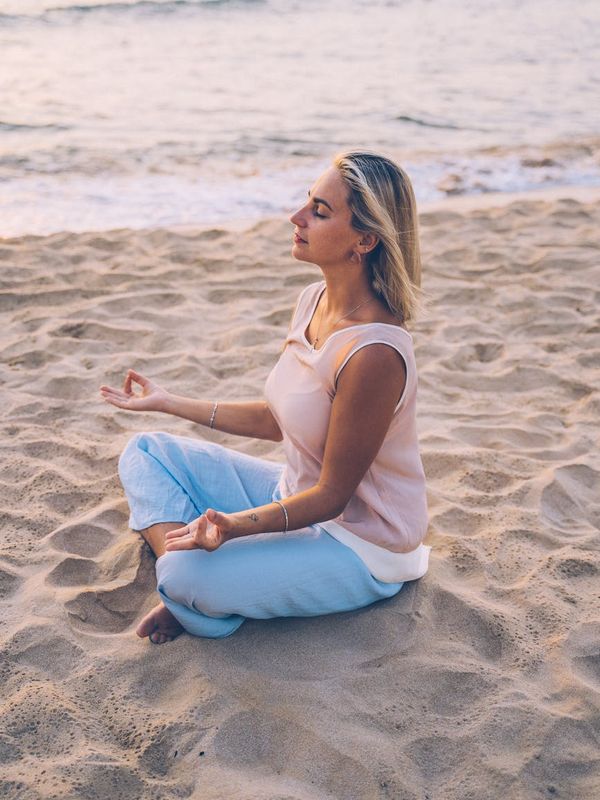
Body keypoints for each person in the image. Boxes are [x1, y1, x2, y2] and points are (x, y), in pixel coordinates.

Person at [99, 150, 430, 645]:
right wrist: (170, 402)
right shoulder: (312, 301)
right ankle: (199, 577)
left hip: (358, 543)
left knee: (180, 577)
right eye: (306, 202)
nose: (297, 218)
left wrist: (233, 527)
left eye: (319, 212)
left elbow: (333, 497)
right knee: (145, 451)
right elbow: (280, 422)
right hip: (291, 493)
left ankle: (194, 594)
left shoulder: (375, 353)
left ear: (365, 240)